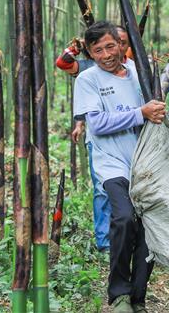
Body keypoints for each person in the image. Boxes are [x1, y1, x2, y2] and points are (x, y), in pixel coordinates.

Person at [74, 21, 165, 312]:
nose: (105, 55)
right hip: (110, 164)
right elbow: (97, 124)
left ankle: (138, 297)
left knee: (147, 230)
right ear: (90, 52)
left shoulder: (140, 75)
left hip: (143, 164)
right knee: (124, 218)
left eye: (110, 46)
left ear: (121, 44)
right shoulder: (87, 80)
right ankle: (119, 294)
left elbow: (159, 112)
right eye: (97, 50)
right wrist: (141, 113)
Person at [55, 28, 132, 252]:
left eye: (119, 44)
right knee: (102, 189)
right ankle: (105, 240)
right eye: (99, 49)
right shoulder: (91, 68)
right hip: (101, 141)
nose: (108, 54)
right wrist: (77, 47)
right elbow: (63, 63)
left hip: (132, 142)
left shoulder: (134, 68)